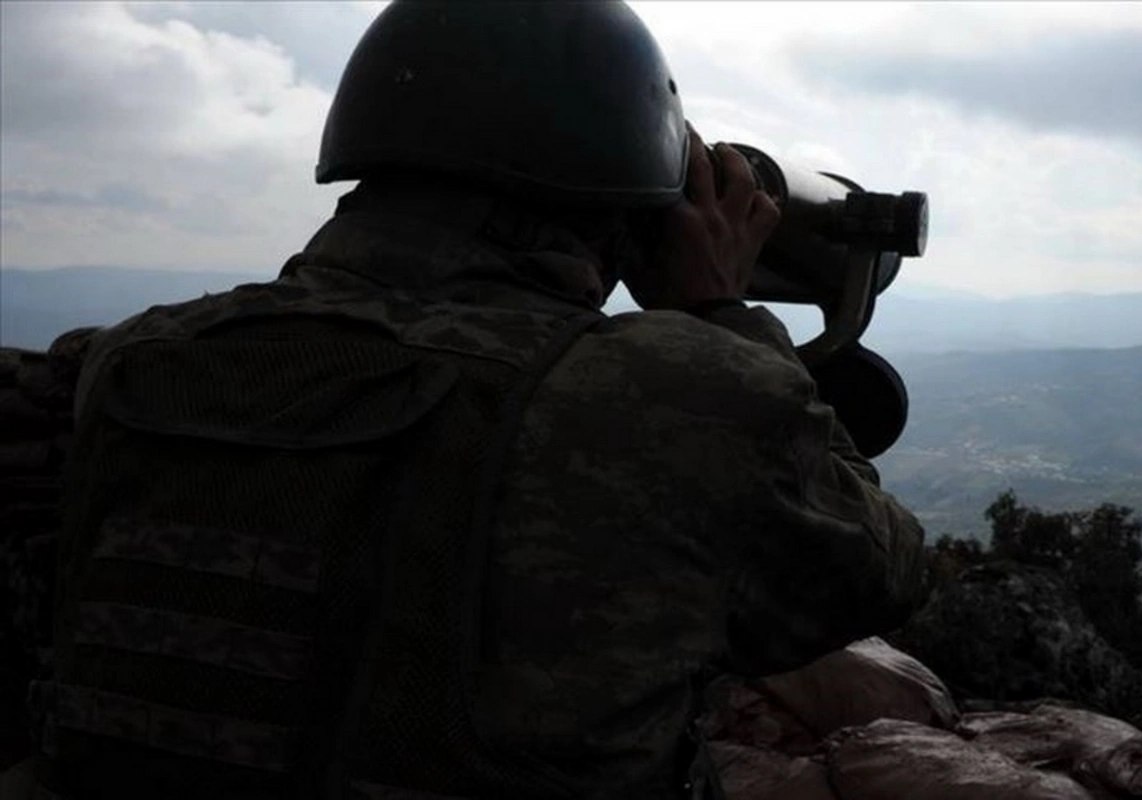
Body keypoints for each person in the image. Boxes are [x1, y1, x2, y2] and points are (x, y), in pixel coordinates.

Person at [31, 2, 925, 798]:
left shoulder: (134, 361)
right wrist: (716, 311)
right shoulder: (671, 398)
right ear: (623, 205)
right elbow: (880, 571)